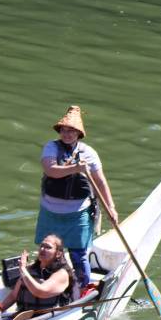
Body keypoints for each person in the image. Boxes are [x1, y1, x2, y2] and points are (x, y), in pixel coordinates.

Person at [37, 105, 119, 291]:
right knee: (50, 254)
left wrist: (111, 208)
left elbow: (100, 182)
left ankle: (82, 290)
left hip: (78, 212)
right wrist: (76, 168)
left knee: (79, 254)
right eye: (64, 130)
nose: (67, 134)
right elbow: (51, 170)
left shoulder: (89, 153)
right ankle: (51, 289)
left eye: (72, 131)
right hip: (51, 212)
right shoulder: (51, 147)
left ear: (79, 133)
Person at [0, 235, 75, 313]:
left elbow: (40, 292)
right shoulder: (30, 270)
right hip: (23, 315)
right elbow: (13, 296)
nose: (42, 249)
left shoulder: (62, 274)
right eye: (42, 246)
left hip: (50, 317)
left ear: (58, 254)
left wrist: (23, 269)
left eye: (48, 247)